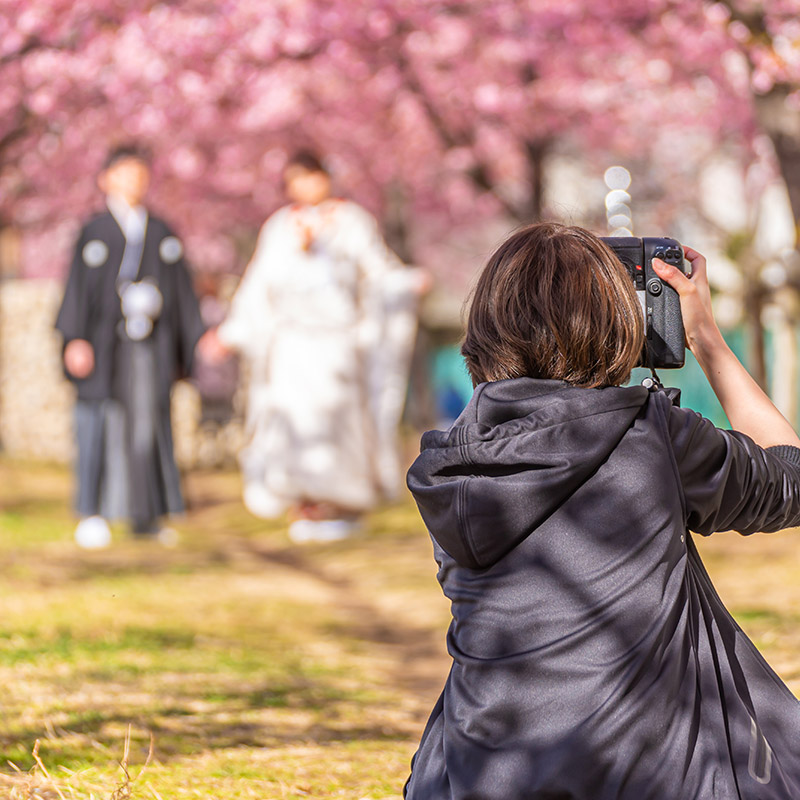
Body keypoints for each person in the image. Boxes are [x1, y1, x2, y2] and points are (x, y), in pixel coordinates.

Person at [404, 222, 800, 799]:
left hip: (479, 778)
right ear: (616, 322)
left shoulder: (451, 461)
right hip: (655, 775)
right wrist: (707, 339)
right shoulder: (650, 432)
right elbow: (789, 477)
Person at [209, 151, 429, 541]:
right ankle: (303, 504)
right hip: (291, 345)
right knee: (292, 424)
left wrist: (406, 283)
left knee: (337, 422)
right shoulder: (279, 227)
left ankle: (341, 503)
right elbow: (257, 285)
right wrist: (230, 333)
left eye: (311, 177)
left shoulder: (352, 221)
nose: (306, 186)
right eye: (297, 178)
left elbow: (378, 273)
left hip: (336, 344)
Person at [55, 144, 207, 547]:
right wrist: (75, 338)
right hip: (105, 345)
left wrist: (189, 342)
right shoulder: (94, 231)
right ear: (106, 179)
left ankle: (147, 513)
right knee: (97, 422)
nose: (133, 182)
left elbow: (183, 295)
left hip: (148, 346)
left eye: (139, 173)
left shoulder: (161, 231)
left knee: (148, 425)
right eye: (124, 173)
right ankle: (92, 510)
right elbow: (74, 290)